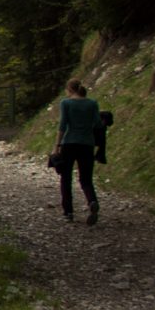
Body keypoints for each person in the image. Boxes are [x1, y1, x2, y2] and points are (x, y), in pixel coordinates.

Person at [52, 78, 102, 224]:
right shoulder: (92, 103)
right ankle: (92, 201)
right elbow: (98, 123)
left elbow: (63, 125)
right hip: (87, 144)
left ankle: (68, 212)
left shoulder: (66, 103)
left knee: (66, 178)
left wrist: (57, 145)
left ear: (69, 89)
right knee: (86, 178)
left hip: (69, 143)